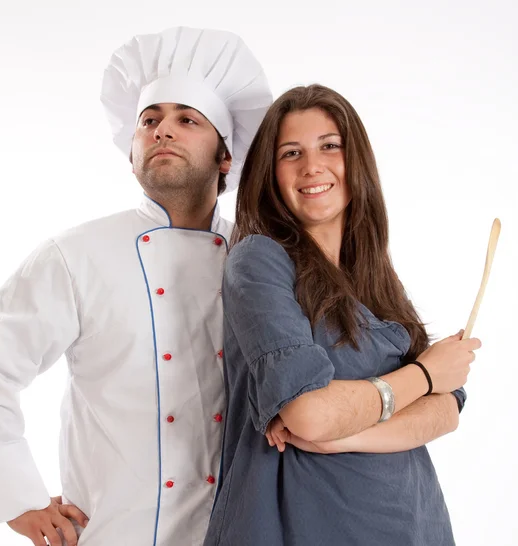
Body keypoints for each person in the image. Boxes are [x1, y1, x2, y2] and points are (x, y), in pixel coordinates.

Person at [0, 27, 272, 546]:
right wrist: (19, 500)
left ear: (226, 157)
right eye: (149, 121)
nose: (161, 131)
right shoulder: (77, 255)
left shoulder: (257, 259)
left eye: (187, 119)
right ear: (131, 152)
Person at [204, 84, 481, 546]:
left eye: (329, 146)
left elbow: (446, 412)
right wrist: (426, 375)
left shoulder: (373, 275)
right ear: (269, 175)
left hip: (410, 524)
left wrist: (346, 435)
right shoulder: (259, 261)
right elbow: (310, 415)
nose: (312, 166)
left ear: (356, 161)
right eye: (291, 153)